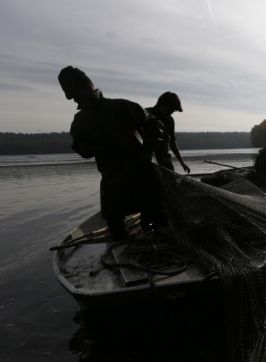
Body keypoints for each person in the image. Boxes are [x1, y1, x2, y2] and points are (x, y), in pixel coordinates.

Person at [57, 66, 163, 240]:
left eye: (76, 95)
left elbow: (154, 125)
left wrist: (147, 151)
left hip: (141, 174)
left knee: (155, 220)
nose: (76, 101)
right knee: (115, 227)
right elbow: (80, 148)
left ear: (87, 88)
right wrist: (97, 149)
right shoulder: (80, 120)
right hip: (112, 180)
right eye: (72, 97)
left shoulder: (122, 106)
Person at [144, 92, 190, 173]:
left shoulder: (169, 120)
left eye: (174, 110)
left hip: (165, 160)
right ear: (162, 104)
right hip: (147, 160)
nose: (172, 112)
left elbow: (172, 142)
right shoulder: (145, 114)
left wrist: (182, 162)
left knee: (171, 183)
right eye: (171, 109)